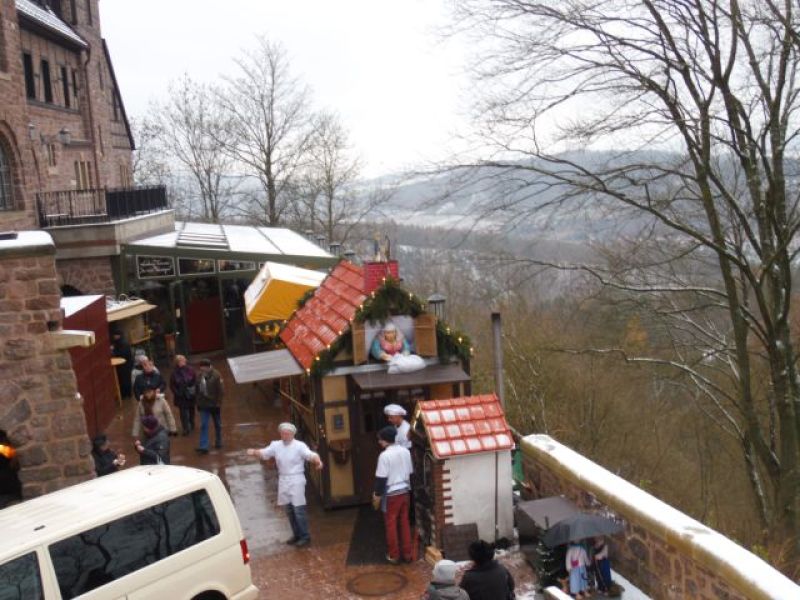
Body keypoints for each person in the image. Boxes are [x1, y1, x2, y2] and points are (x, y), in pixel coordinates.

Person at [246, 422, 323, 548]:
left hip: (296, 479)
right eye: (283, 433)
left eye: (287, 434)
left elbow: (310, 455)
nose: (285, 436)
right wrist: (254, 451)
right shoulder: (276, 445)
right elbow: (265, 453)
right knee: (289, 510)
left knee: (298, 510)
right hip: (283, 480)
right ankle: (296, 534)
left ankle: (305, 536)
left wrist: (317, 461)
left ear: (292, 434)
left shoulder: (299, 446)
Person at [373, 425, 414, 564]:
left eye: (380, 439)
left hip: (391, 494)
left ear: (385, 440)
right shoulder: (405, 452)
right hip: (405, 491)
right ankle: (408, 554)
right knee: (404, 522)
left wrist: (377, 495)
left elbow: (381, 479)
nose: (379, 442)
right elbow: (410, 472)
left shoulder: (384, 456)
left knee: (391, 524)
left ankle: (394, 555)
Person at [196, 358, 224, 454]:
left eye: (203, 367)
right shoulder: (199, 375)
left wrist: (218, 403)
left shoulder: (217, 375)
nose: (201, 369)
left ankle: (219, 441)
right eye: (201, 367)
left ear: (208, 367)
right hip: (204, 404)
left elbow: (221, 391)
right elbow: (198, 390)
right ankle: (203, 446)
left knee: (217, 424)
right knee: (204, 425)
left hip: (214, 404)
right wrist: (198, 402)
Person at [169, 355, 197, 435]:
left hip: (190, 394)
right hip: (181, 396)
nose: (183, 362)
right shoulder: (174, 373)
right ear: (177, 362)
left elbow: (195, 380)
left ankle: (192, 423)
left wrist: (193, 389)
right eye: (180, 361)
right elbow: (172, 385)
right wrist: (177, 393)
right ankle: (186, 428)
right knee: (183, 413)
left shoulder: (190, 370)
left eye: (183, 360)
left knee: (191, 410)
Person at [110, 330, 133, 399]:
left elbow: (123, 354)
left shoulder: (122, 343)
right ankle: (127, 394)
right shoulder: (120, 342)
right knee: (125, 379)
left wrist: (113, 352)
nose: (114, 336)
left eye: (115, 335)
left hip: (125, 365)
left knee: (124, 380)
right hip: (125, 364)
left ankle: (125, 394)